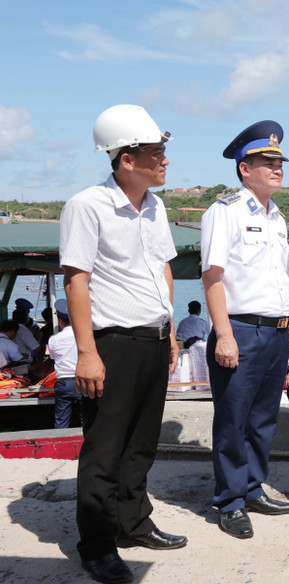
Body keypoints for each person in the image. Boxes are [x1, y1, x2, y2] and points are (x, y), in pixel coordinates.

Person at [60, 104, 185, 584]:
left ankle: (132, 522)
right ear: (126, 159)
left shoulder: (156, 206)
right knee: (105, 449)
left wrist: (170, 333)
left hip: (153, 340)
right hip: (113, 343)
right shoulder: (86, 205)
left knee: (141, 445)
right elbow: (76, 280)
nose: (165, 160)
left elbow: (163, 271)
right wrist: (87, 352)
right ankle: (96, 544)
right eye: (157, 152)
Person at [201, 120, 289, 539]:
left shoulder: (277, 217)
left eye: (279, 161)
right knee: (233, 420)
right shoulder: (225, 211)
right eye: (268, 161)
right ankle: (230, 500)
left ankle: (253, 487)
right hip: (240, 330)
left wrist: (288, 328)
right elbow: (213, 276)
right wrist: (223, 334)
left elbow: (281, 278)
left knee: (263, 419)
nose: (277, 167)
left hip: (276, 332)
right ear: (245, 168)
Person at [48, 299, 81, 429]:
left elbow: (52, 357)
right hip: (83, 381)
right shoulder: (85, 337)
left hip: (63, 383)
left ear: (60, 321)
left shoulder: (53, 340)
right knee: (87, 421)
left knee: (61, 421)